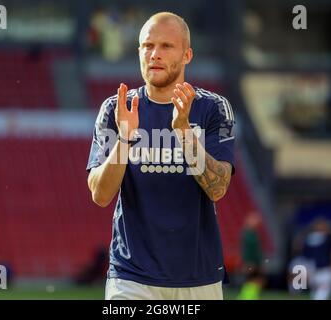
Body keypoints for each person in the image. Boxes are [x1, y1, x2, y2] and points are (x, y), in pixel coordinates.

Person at [86, 12, 235, 300]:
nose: (155, 54)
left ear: (187, 54)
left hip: (198, 277)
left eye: (167, 46)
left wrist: (183, 131)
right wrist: (126, 138)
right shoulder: (115, 109)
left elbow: (218, 189)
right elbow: (101, 195)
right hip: (131, 276)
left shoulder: (214, 109)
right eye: (147, 45)